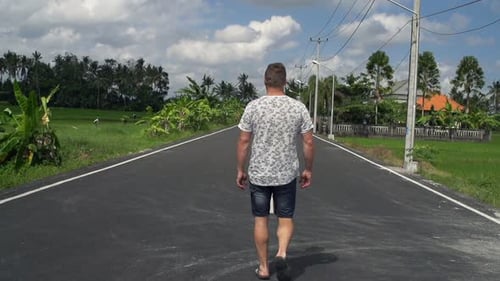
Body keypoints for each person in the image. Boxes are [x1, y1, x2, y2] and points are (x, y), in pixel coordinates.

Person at [236, 62, 314, 281]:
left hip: (259, 173)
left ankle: (263, 268)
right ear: (285, 82)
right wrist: (308, 169)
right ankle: (281, 252)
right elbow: (308, 142)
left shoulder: (253, 107)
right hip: (286, 174)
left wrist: (240, 170)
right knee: (285, 217)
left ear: (265, 81)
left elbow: (243, 141)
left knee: (261, 219)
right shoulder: (298, 107)